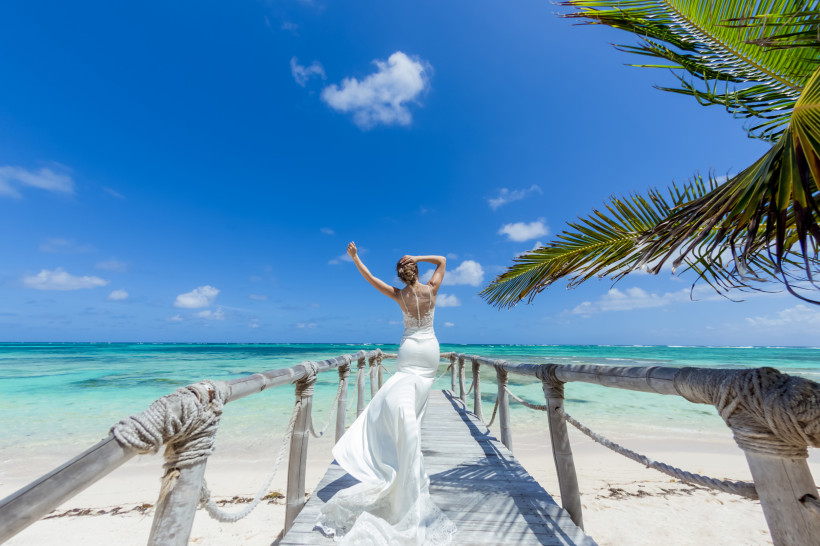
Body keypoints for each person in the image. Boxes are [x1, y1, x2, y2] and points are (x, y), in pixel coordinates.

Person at [315, 242, 457, 545]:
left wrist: (355, 258)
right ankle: (409, 440)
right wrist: (419, 255)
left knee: (400, 394)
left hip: (408, 350)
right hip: (430, 350)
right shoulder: (431, 289)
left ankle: (401, 440)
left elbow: (370, 278)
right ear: (417, 271)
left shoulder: (398, 295)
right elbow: (443, 260)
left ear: (400, 275)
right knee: (416, 401)